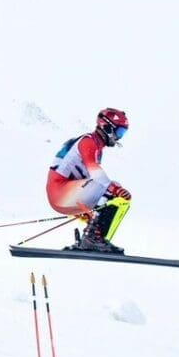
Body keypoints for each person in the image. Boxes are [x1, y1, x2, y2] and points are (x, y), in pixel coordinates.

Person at [47, 108, 133, 254]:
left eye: (123, 134)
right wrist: (114, 189)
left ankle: (96, 238)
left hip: (67, 192)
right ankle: (92, 239)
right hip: (60, 192)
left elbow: (84, 180)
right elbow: (96, 175)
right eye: (119, 132)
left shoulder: (96, 147)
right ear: (106, 126)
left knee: (115, 194)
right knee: (112, 187)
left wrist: (89, 213)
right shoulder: (89, 142)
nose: (119, 138)